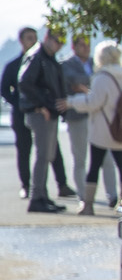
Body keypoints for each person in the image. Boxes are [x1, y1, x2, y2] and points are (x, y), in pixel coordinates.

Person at [71, 41, 122, 212]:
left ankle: (88, 204)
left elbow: (94, 102)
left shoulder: (102, 77)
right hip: (120, 127)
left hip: (102, 128)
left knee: (94, 165)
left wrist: (73, 101)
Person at [16, 29, 71, 214]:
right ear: (47, 38)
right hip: (40, 114)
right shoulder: (36, 56)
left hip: (50, 113)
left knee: (48, 156)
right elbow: (24, 82)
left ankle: (43, 195)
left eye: (61, 42)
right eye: (56, 41)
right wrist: (41, 105)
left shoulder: (50, 58)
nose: (58, 45)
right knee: (41, 156)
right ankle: (36, 198)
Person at [59, 35, 94, 201]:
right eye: (82, 45)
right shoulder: (66, 64)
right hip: (76, 116)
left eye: (88, 45)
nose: (86, 48)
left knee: (106, 158)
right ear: (74, 47)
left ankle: (112, 195)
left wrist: (82, 87)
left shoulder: (96, 63)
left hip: (96, 115)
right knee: (80, 157)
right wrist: (80, 86)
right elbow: (70, 82)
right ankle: (83, 194)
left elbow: (93, 84)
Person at [4, 26, 37, 197]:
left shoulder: (41, 63)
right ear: (22, 41)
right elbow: (3, 89)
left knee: (48, 152)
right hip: (20, 114)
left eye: (34, 38)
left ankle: (57, 185)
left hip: (40, 113)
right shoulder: (13, 65)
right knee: (24, 151)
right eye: (29, 38)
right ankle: (26, 185)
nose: (33, 41)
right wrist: (18, 103)